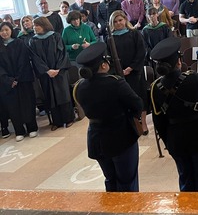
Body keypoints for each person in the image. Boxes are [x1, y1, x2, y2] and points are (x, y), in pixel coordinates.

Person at [150, 38, 198, 191]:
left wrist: (168, 142)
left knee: (186, 180)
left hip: (176, 138)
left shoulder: (156, 87)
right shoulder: (192, 78)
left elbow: (158, 120)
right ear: (179, 62)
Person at [73, 42, 142, 192]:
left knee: (110, 180)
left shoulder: (80, 86)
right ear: (103, 65)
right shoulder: (116, 83)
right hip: (121, 136)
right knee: (127, 180)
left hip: (96, 138)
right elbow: (137, 104)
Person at [28, 17, 75, 130]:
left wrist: (58, 68)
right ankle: (57, 121)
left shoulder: (55, 36)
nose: (34, 28)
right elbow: (35, 59)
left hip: (59, 73)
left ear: (44, 25)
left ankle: (69, 118)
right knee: (50, 96)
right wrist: (47, 70)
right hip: (46, 74)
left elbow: (62, 53)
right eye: (34, 26)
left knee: (63, 95)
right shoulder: (33, 41)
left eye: (37, 25)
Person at [108, 10, 148, 133]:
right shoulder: (110, 38)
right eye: (115, 22)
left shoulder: (134, 34)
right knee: (126, 99)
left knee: (140, 96)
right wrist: (118, 71)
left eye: (120, 20)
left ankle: (144, 123)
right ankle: (132, 124)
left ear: (125, 20)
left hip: (136, 72)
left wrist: (131, 68)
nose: (118, 23)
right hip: (120, 75)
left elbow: (141, 51)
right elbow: (109, 57)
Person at [0, 22, 38, 141]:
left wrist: (17, 78)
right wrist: (9, 80)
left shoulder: (19, 43)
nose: (4, 33)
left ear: (11, 30)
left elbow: (24, 61)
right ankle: (19, 130)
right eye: (1, 31)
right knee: (13, 107)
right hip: (7, 83)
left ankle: (32, 128)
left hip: (23, 80)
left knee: (28, 103)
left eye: (6, 30)